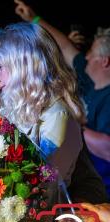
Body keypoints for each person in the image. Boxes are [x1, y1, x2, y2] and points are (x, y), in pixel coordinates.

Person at [0, 22, 108, 205]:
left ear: (23, 67)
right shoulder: (20, 109)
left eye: (0, 67)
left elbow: (40, 185)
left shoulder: (58, 117)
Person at [14, 0, 110, 196]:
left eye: (90, 54)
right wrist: (34, 18)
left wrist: (74, 124)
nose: (85, 57)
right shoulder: (88, 78)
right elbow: (66, 47)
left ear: (105, 61)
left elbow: (108, 148)